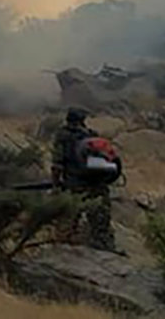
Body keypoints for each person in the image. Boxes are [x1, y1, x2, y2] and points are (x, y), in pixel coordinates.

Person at [51, 107, 117, 252]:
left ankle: (63, 250)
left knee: (68, 220)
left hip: (74, 185)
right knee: (101, 222)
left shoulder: (63, 136)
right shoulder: (92, 136)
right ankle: (106, 247)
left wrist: (56, 185)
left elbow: (57, 164)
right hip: (97, 184)